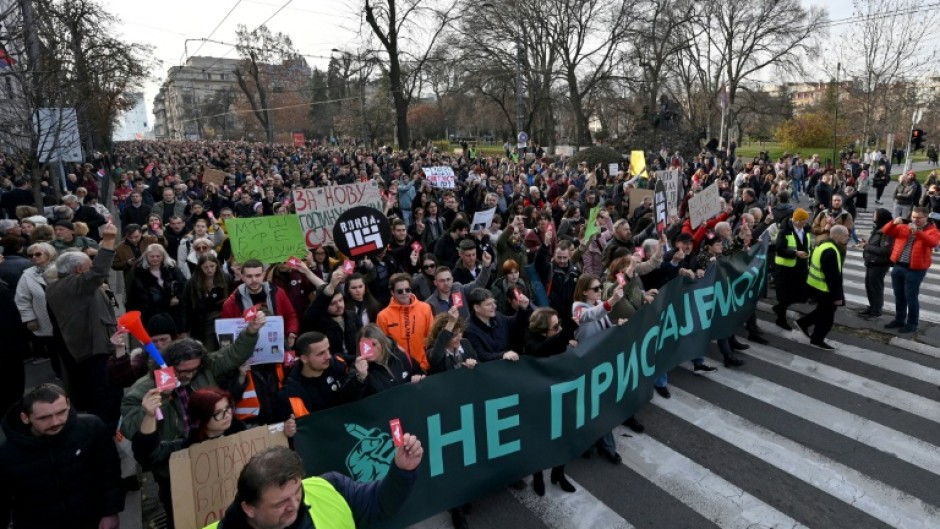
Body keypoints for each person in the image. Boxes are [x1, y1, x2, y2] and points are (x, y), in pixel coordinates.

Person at [120, 310, 266, 524]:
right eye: (183, 371)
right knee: (182, 515)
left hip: (210, 454)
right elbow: (131, 429)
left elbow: (233, 354)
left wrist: (251, 331)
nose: (189, 375)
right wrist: (155, 405)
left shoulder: (206, 368)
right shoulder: (142, 389)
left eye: (194, 370)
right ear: (169, 366)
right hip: (173, 465)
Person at [205, 437, 422, 529]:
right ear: (249, 508)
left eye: (297, 491)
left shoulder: (328, 487)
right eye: (280, 503)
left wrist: (403, 471)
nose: (294, 504)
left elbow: (380, 503)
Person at [0, 383, 124, 529]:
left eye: (61, 412)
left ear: (68, 404)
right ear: (25, 418)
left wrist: (110, 512)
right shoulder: (7, 454)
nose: (55, 422)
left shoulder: (91, 428)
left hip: (92, 520)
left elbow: (110, 473)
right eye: (44, 417)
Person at [45, 222, 122, 424]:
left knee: (110, 387)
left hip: (106, 340)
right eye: (89, 265)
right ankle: (104, 428)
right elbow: (99, 272)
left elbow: (111, 301)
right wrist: (108, 240)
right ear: (79, 270)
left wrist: (116, 318)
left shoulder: (88, 285)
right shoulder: (67, 286)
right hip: (92, 349)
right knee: (102, 392)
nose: (93, 270)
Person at [523, 307, 577, 496]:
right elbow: (544, 349)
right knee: (539, 440)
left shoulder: (558, 339)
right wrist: (568, 331)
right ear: (542, 331)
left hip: (560, 395)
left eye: (560, 324)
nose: (560, 329)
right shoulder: (532, 344)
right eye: (556, 327)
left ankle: (558, 473)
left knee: (564, 436)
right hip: (539, 402)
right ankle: (538, 476)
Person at [277, 331, 366, 419]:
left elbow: (358, 361)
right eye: (321, 353)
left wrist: (359, 378)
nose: (328, 356)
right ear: (304, 359)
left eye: (328, 349)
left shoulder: (338, 362)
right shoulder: (292, 392)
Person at [881, 207, 940, 333]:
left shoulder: (932, 230)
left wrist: (917, 232)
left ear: (926, 217)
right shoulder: (904, 227)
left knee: (911, 297)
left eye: (919, 218)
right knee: (899, 295)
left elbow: (933, 243)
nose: (915, 220)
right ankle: (899, 319)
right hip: (898, 266)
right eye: (913, 217)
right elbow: (886, 231)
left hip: (915, 270)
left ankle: (912, 323)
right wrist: (893, 223)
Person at [796, 225, 849, 350]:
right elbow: (832, 278)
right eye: (846, 235)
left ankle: (803, 323)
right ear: (838, 236)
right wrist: (837, 297)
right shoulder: (831, 251)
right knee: (827, 318)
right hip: (824, 289)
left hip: (815, 286)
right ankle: (817, 339)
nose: (848, 238)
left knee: (822, 311)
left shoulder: (822, 244)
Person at [376, 273, 434, 371]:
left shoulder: (425, 308)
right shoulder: (383, 316)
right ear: (392, 292)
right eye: (400, 291)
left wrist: (425, 364)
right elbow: (383, 347)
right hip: (398, 370)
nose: (404, 293)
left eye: (407, 290)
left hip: (424, 366)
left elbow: (431, 338)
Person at [126, 243, 188, 333]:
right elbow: (135, 298)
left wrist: (178, 298)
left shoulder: (173, 270)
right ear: (147, 257)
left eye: (158, 256)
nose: (155, 259)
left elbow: (184, 286)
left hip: (174, 315)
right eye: (152, 256)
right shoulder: (139, 274)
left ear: (163, 256)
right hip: (150, 316)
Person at [14, 242, 58, 368]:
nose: (34, 257)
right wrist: (29, 318)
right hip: (44, 316)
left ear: (49, 254)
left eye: (38, 254)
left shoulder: (61, 268)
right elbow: (22, 299)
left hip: (64, 314)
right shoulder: (27, 275)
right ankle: (59, 373)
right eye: (30, 255)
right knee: (52, 347)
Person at [772, 208, 812, 329]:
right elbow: (779, 249)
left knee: (802, 295)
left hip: (801, 267)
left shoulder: (806, 229)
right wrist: (795, 253)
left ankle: (779, 308)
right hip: (785, 269)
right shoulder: (785, 231)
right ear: (798, 220)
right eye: (804, 220)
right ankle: (781, 318)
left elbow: (808, 245)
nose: (806, 222)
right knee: (785, 295)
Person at [859, 209, 894, 319]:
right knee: (869, 287)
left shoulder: (887, 232)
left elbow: (886, 251)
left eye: (875, 214)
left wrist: (866, 246)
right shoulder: (878, 228)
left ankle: (876, 311)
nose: (873, 216)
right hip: (872, 262)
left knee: (876, 289)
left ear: (881, 217)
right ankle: (872, 308)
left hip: (879, 264)